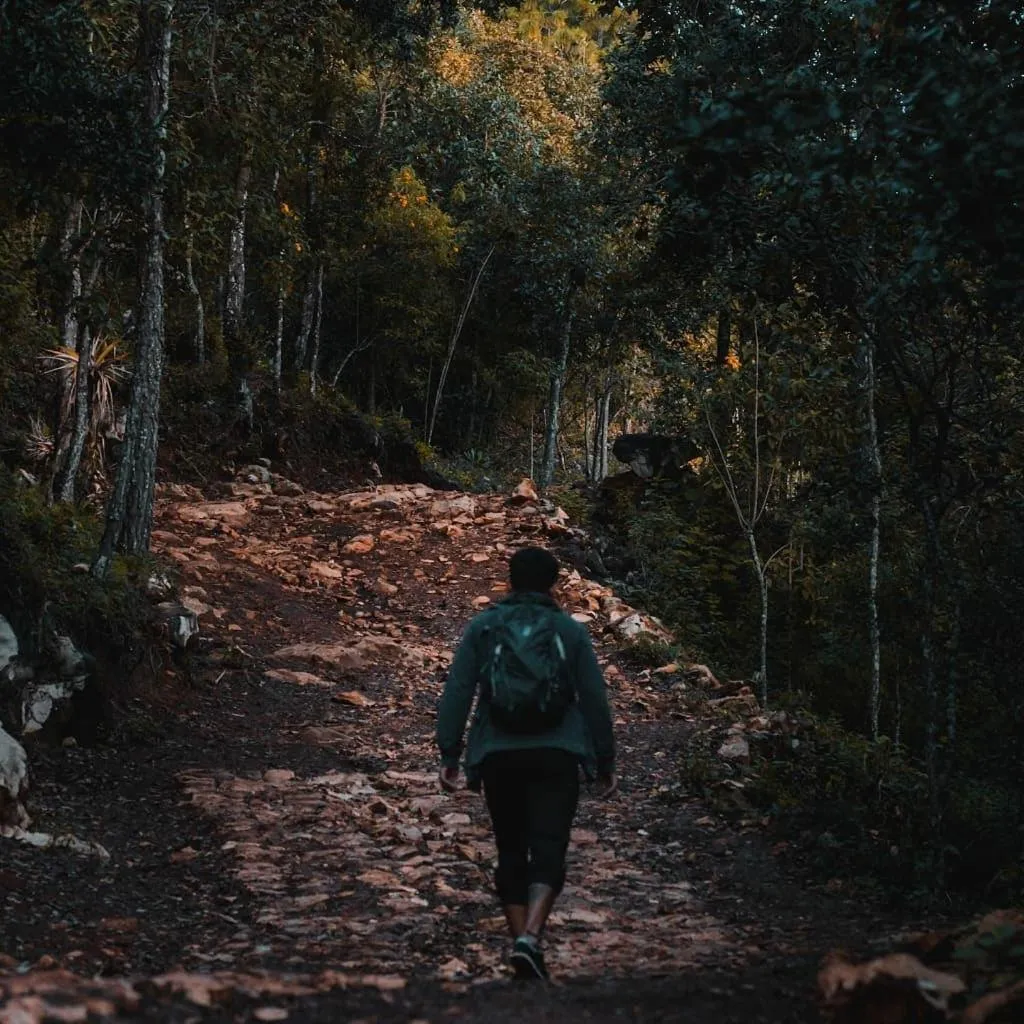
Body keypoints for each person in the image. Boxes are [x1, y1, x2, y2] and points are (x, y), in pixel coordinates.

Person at [436, 546, 617, 981]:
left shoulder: (484, 627)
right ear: (552, 583)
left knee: (510, 847)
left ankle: (522, 943)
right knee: (550, 843)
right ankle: (530, 939)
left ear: (510, 579)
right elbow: (594, 698)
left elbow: (459, 689)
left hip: (499, 753)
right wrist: (604, 760)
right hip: (557, 752)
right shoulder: (568, 631)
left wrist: (450, 752)